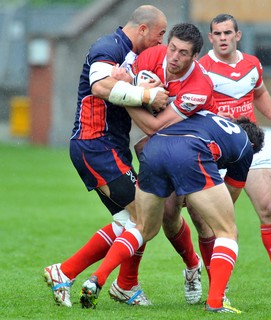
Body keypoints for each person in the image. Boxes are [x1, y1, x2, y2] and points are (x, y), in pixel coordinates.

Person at [43, 6, 201, 308]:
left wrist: (139, 86)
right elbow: (100, 86)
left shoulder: (129, 56)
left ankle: (69, 273)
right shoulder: (108, 47)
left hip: (110, 147)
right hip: (96, 145)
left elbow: (129, 87)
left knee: (131, 220)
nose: (160, 43)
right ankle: (112, 282)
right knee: (145, 216)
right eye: (159, 35)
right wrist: (143, 94)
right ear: (142, 29)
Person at [77, 22, 221, 310]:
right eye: (172, 48)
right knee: (164, 215)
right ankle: (190, 267)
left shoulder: (199, 86)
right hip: (160, 148)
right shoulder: (151, 55)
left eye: (183, 53)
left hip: (194, 149)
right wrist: (131, 88)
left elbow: (154, 125)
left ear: (195, 57)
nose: (174, 57)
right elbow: (114, 82)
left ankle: (218, 289)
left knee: (201, 217)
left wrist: (127, 92)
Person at [81, 110, 265, 314]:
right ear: (254, 146)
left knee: (142, 227)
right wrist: (194, 191)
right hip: (190, 154)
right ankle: (216, 302)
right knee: (227, 230)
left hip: (154, 149)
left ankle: (97, 278)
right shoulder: (245, 147)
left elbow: (141, 145)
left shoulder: (207, 117)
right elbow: (229, 199)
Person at [192, 14, 271, 296]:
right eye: (217, 33)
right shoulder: (201, 68)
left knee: (268, 209)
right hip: (215, 151)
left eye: (227, 33)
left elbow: (260, 92)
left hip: (251, 147)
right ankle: (217, 284)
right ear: (210, 38)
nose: (223, 38)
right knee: (208, 221)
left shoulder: (252, 64)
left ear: (238, 36)